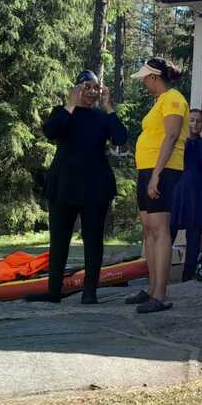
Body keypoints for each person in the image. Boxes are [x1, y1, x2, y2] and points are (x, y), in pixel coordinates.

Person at [27, 70, 128, 304]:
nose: (92, 92)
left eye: (96, 88)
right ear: (76, 89)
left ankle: (90, 292)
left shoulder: (102, 117)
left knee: (93, 240)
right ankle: (54, 292)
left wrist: (109, 107)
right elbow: (51, 131)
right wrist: (71, 104)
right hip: (64, 184)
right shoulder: (62, 113)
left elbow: (121, 138)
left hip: (95, 185)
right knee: (59, 240)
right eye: (87, 87)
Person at [128, 57, 189, 313]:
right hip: (148, 169)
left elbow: (172, 135)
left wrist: (156, 175)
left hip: (162, 170)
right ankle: (152, 288)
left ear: (154, 77)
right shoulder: (160, 101)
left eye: (145, 78)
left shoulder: (173, 98)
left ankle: (161, 295)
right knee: (149, 230)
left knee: (160, 230)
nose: (143, 82)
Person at [170, 109, 202, 282]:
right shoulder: (178, 141)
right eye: (191, 120)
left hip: (196, 194)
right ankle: (160, 273)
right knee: (169, 232)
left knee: (194, 236)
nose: (195, 124)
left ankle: (188, 277)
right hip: (176, 193)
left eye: (199, 121)